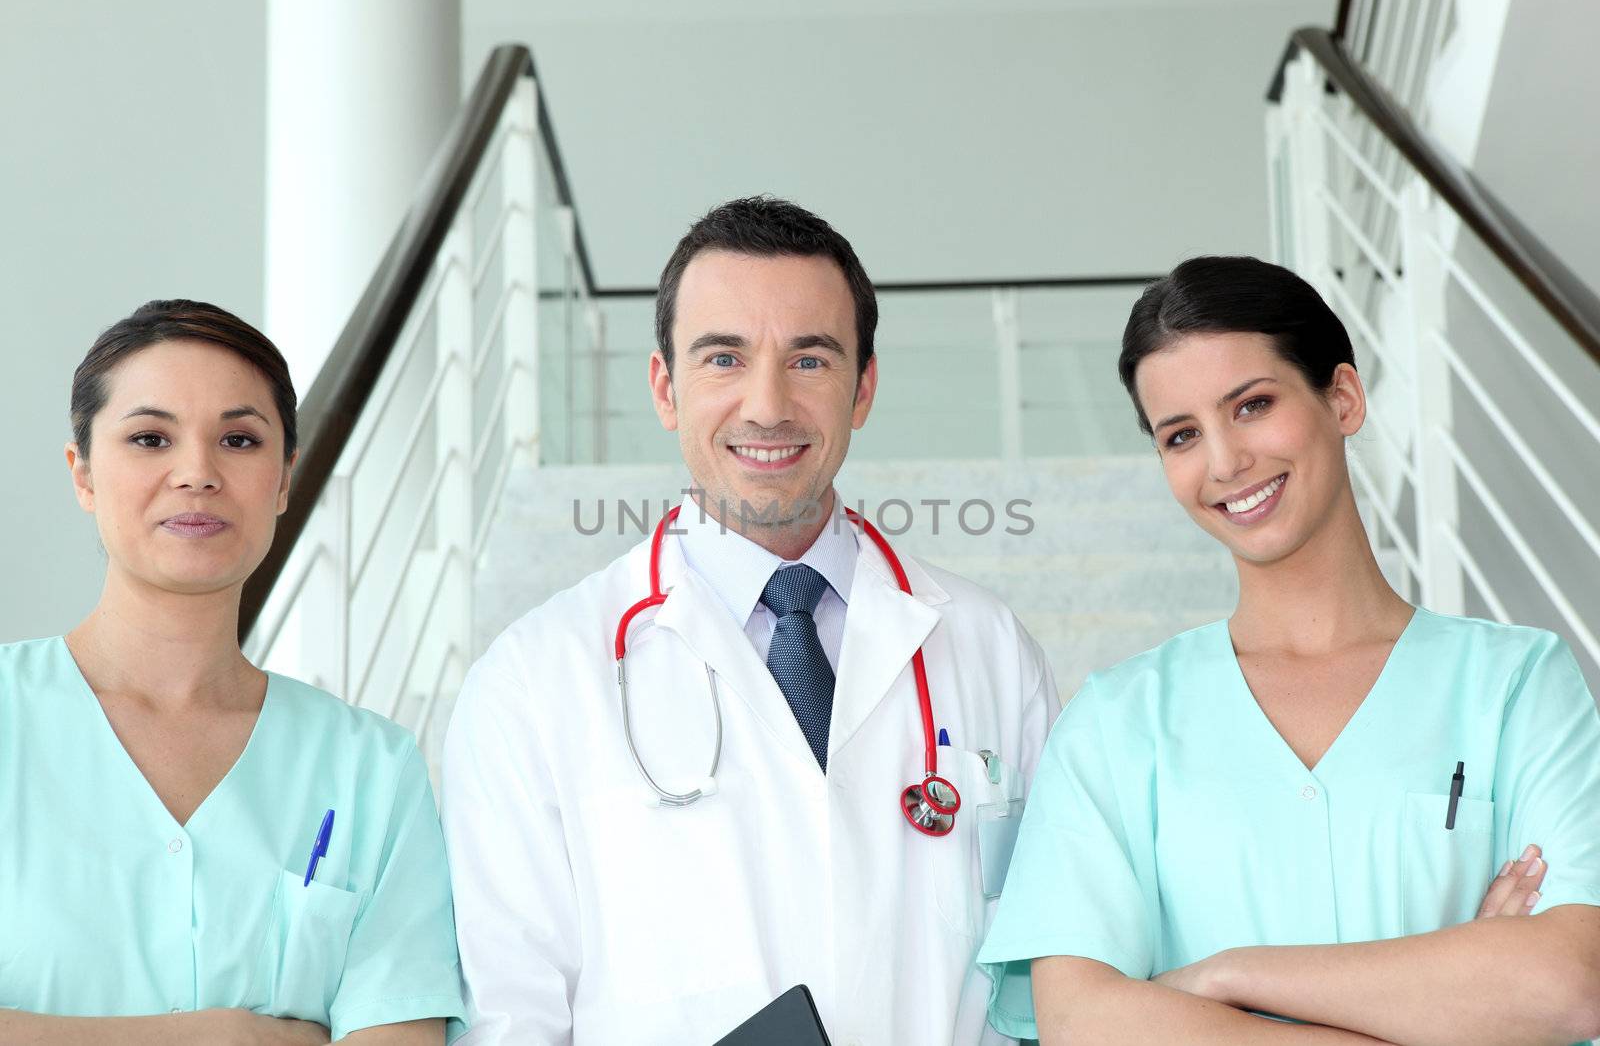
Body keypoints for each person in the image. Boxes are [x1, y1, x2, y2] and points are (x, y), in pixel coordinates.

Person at [443, 197, 1059, 1044]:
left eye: (809, 360)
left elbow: (1045, 981)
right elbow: (514, 1017)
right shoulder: (533, 680)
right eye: (724, 357)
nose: (767, 406)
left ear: (864, 386)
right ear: (665, 387)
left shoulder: (991, 650)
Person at [977, 256, 1600, 1044]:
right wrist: (1455, 993)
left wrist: (1227, 977)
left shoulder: (1518, 685)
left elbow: (1567, 982)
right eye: (1181, 435)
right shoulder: (1116, 721)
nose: (1225, 461)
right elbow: (1082, 1018)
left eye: (1254, 404)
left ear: (1342, 397)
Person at [0, 301, 467, 1044]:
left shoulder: (370, 770)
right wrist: (218, 1035)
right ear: (82, 473)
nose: (197, 472)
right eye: (150, 437)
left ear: (284, 480)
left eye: (239, 439)